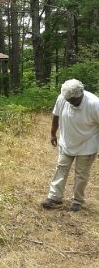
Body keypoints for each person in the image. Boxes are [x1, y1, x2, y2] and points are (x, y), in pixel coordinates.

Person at [41, 79, 99, 212]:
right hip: (66, 142)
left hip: (87, 145)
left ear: (81, 94)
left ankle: (77, 201)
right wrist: (52, 134)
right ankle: (54, 197)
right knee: (60, 169)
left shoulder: (94, 104)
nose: (70, 102)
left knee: (81, 174)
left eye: (73, 100)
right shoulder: (63, 97)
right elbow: (56, 115)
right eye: (68, 100)